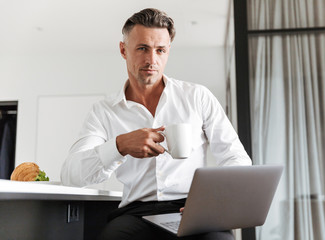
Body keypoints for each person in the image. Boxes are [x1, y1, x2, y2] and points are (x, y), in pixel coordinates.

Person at [61, 8, 251, 240]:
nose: (152, 60)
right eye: (142, 48)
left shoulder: (197, 96)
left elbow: (236, 158)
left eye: (160, 50)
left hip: (192, 208)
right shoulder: (104, 111)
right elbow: (71, 175)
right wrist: (119, 146)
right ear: (123, 50)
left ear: (168, 51)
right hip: (135, 213)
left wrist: (213, 201)